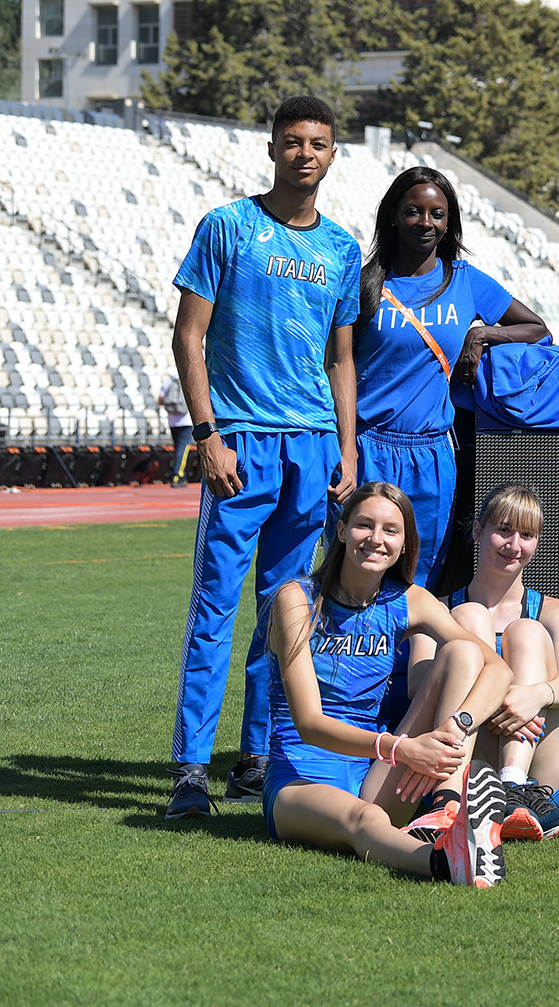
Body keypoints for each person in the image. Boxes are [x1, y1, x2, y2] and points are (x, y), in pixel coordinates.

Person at [167, 96, 361, 820]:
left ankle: (255, 758)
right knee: (214, 609)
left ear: (333, 154)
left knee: (285, 614)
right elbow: (189, 336)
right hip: (241, 441)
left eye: (318, 143)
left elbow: (341, 360)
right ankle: (190, 769)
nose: (305, 153)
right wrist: (207, 435)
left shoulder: (341, 249)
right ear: (272, 148)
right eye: (293, 141)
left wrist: (347, 448)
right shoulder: (228, 227)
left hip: (313, 447)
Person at [264, 481, 514, 887]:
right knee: (365, 819)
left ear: (403, 544)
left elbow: (498, 669)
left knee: (464, 652)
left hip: (374, 774)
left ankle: (447, 805)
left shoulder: (409, 600)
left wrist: (457, 727)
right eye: (364, 525)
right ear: (341, 530)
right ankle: (447, 862)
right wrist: (404, 748)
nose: (376, 539)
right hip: (299, 777)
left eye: (390, 530)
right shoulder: (296, 599)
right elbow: (308, 723)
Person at [350, 168, 550, 590]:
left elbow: (536, 329)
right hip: (367, 445)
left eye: (437, 214)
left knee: (417, 577)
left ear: (448, 222)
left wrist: (482, 334)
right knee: (360, 572)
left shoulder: (465, 280)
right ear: (392, 216)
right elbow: (336, 364)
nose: (426, 222)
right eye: (413, 211)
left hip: (432, 453)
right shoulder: (363, 283)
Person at [436, 484, 559, 840]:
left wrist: (535, 695)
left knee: (527, 632)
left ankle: (514, 786)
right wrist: (489, 695)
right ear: (477, 531)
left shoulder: (557, 612)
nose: (514, 545)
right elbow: (417, 684)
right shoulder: (439, 609)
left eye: (526, 535)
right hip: (467, 752)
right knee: (470, 616)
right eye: (503, 530)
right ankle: (459, 795)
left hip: (541, 770)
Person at [157, 370, 191, 486]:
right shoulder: (187, 377)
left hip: (172, 420)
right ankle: (178, 476)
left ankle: (179, 474)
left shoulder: (169, 379)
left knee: (178, 449)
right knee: (183, 450)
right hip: (187, 420)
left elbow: (160, 399)